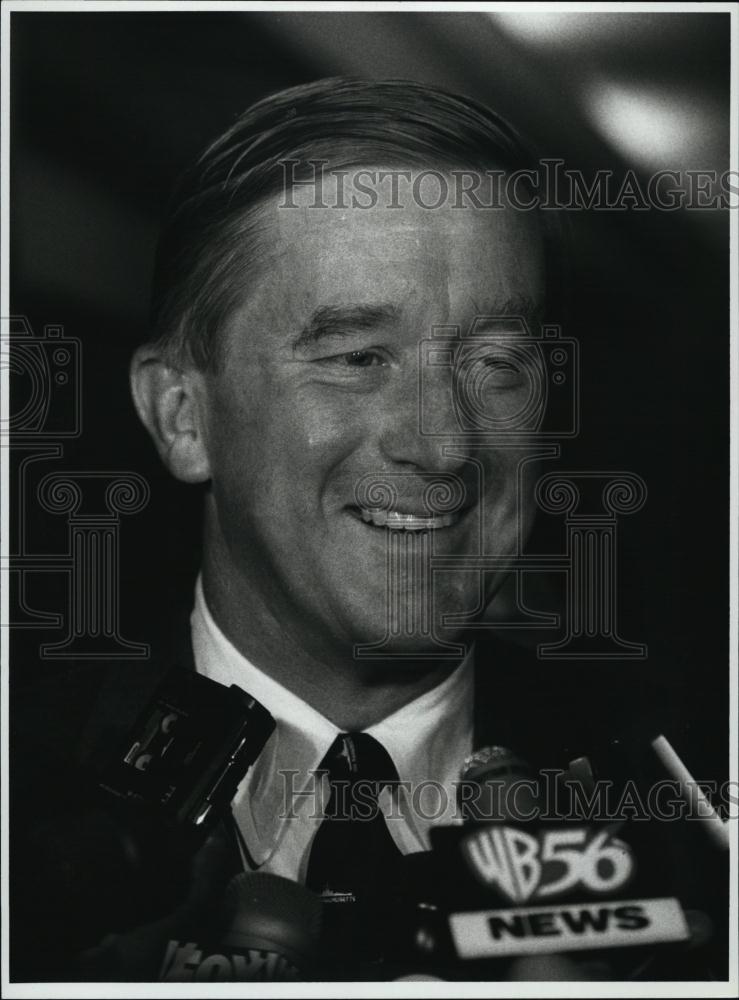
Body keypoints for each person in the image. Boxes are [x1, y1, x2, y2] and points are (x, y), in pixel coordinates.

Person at [10, 77, 723, 983]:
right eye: (356, 358)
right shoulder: (21, 794)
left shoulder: (686, 809)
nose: (444, 445)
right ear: (184, 417)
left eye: (497, 362)